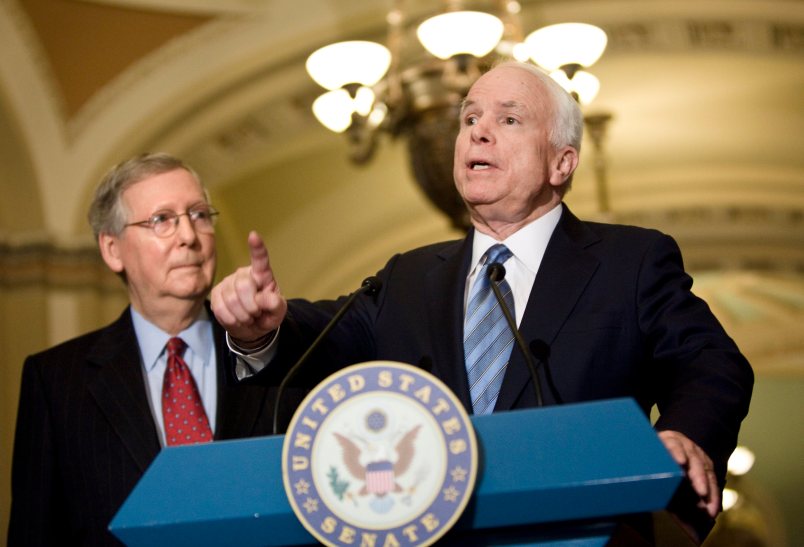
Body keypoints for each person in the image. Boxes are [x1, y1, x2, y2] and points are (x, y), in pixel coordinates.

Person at [210, 62, 753, 543]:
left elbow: (711, 363)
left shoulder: (629, 262)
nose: (477, 133)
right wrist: (264, 327)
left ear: (561, 163)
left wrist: (683, 434)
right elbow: (325, 333)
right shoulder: (409, 275)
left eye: (509, 119)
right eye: (469, 119)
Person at [8, 153, 301, 547]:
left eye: (198, 214)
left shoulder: (271, 350)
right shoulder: (57, 380)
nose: (189, 237)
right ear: (112, 249)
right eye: (162, 220)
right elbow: (35, 532)